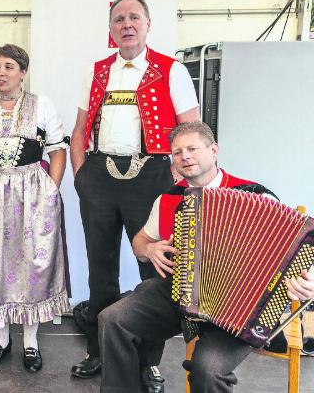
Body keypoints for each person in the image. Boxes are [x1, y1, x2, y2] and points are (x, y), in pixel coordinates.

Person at [98, 121, 314, 393]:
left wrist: (308, 281)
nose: (184, 157)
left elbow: (297, 247)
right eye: (177, 152)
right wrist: (149, 249)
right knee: (113, 319)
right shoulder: (167, 200)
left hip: (243, 308)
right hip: (181, 294)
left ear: (214, 151)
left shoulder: (256, 195)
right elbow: (140, 242)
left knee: (208, 369)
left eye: (192, 149)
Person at [69, 0, 200, 391]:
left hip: (152, 175)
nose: (126, 24)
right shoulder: (96, 71)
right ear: (110, 29)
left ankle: (148, 362)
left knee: (154, 269)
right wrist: (81, 177)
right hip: (100, 175)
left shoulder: (171, 69)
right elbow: (78, 131)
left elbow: (190, 129)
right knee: (100, 268)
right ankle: (99, 351)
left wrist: (180, 181)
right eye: (119, 19)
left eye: (134, 18)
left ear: (147, 24)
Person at [0, 44, 69, 372]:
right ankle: (0, 339)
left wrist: (51, 188)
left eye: (8, 67)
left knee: (31, 265)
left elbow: (58, 149)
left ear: (23, 72)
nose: (0, 73)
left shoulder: (41, 105)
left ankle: (31, 342)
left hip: (31, 192)